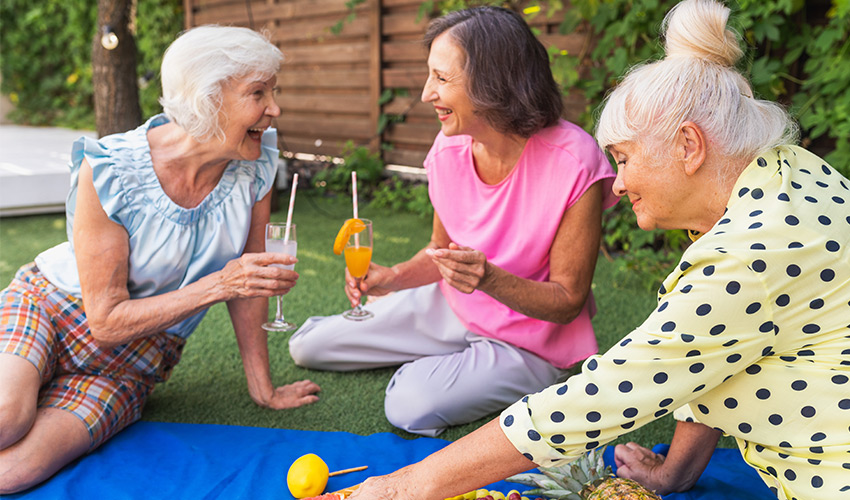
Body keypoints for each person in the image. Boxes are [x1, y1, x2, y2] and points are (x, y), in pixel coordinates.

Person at [346, 0, 850, 499]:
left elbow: (604, 396)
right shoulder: (792, 172)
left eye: (624, 159)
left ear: (689, 146)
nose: (617, 184)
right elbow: (717, 347)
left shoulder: (749, 256)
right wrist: (674, 475)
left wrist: (408, 485)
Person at [0, 26, 320, 494]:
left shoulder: (256, 165)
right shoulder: (109, 169)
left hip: (138, 357)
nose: (275, 108)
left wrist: (262, 387)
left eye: (274, 91)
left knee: (14, 472)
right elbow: (105, 320)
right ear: (208, 100)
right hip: (50, 307)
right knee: (7, 417)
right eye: (258, 93)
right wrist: (220, 284)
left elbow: (249, 283)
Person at [289, 6, 618, 437]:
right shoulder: (448, 152)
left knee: (408, 405)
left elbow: (568, 300)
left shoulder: (575, 161)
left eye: (442, 79)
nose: (427, 93)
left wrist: (488, 279)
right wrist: (393, 278)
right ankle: (445, 355)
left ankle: (477, 370)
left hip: (528, 343)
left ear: (494, 84)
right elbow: (440, 252)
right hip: (453, 307)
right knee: (307, 345)